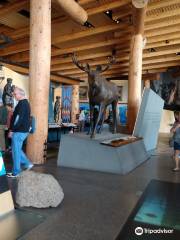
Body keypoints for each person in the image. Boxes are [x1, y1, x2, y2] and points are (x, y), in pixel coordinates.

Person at [7, 87, 33, 178]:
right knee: (16, 149)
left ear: (20, 94)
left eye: (15, 94)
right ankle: (27, 163)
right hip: (22, 130)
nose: (14, 96)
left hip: (19, 131)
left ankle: (16, 172)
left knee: (15, 152)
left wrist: (12, 130)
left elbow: (18, 119)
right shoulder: (24, 103)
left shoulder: (22, 104)